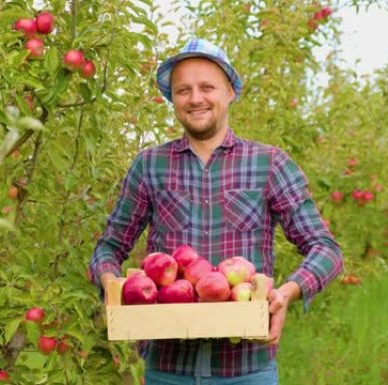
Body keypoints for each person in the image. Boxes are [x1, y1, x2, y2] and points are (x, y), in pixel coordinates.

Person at [89, 38, 343, 385]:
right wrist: (111, 284)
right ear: (173, 99)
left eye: (207, 87)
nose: (195, 98)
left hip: (246, 370)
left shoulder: (268, 163)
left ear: (230, 92)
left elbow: (326, 249)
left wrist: (286, 293)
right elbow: (109, 247)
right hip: (168, 369)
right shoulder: (150, 165)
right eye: (183, 90)